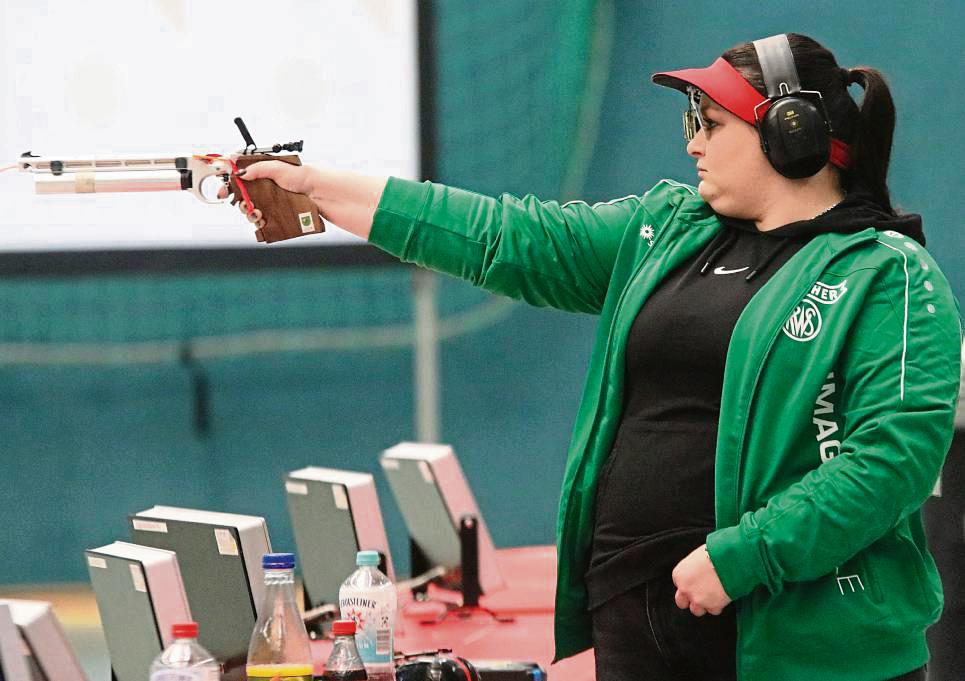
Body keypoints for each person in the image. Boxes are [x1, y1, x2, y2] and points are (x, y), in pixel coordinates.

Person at [226, 33, 961, 681]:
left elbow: (887, 466)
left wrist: (743, 557)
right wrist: (315, 188)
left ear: (789, 134)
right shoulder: (669, 229)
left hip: (796, 643)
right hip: (639, 623)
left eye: (708, 123)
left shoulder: (886, 272)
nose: (691, 142)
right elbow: (502, 237)